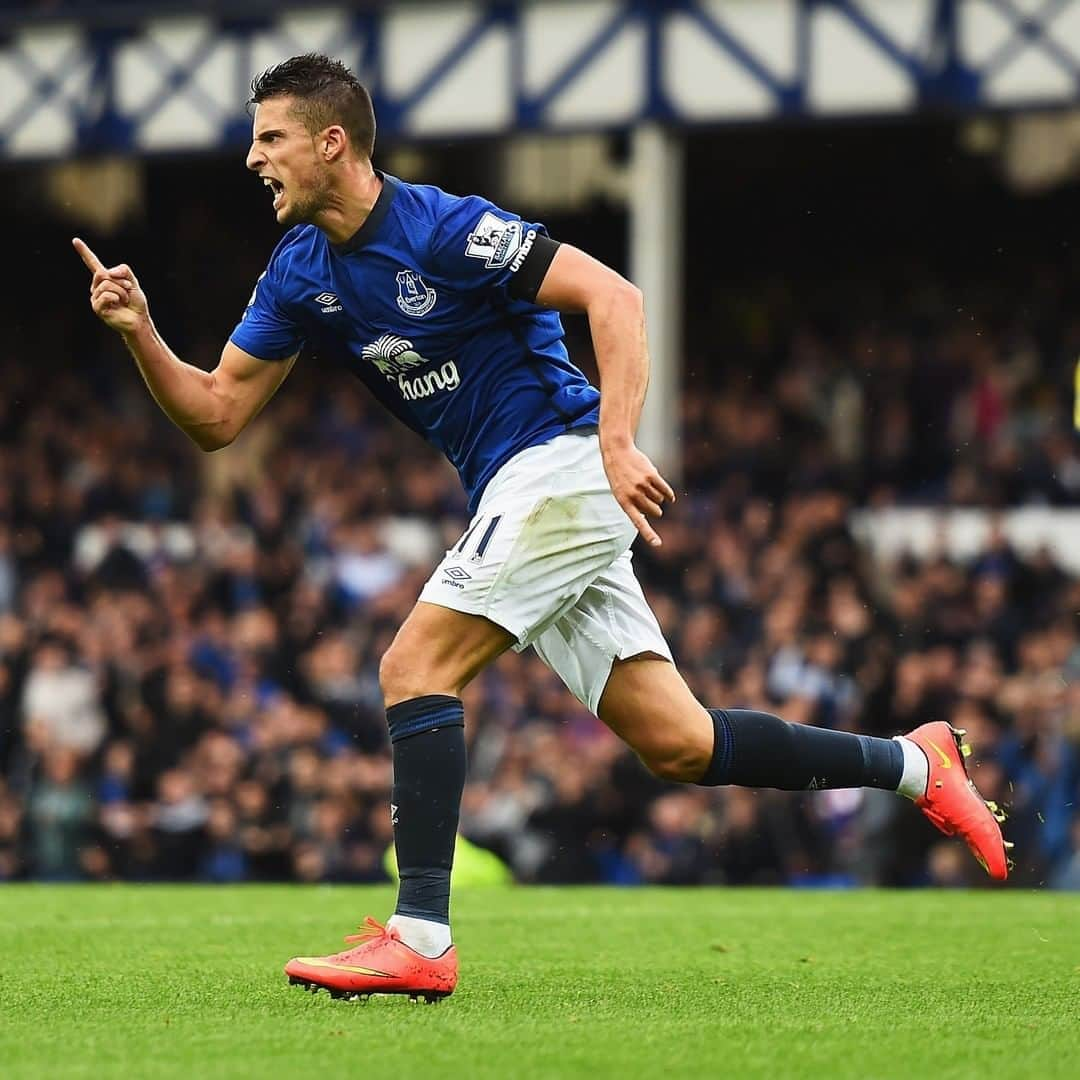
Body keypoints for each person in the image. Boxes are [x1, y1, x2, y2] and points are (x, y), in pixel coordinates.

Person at [74, 53, 1010, 1004]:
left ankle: (421, 937)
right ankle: (912, 763)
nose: (250, 158)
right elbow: (217, 415)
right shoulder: (299, 272)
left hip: (561, 466)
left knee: (413, 667)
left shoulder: (444, 227)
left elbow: (617, 296)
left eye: (269, 137)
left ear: (331, 143)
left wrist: (614, 440)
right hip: (517, 491)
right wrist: (141, 332)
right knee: (679, 743)